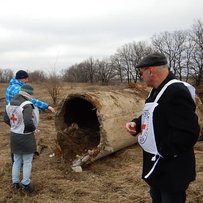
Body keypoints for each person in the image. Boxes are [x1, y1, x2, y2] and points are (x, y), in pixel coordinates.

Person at [126, 53, 200, 203]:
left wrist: (163, 151)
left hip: (172, 169)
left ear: (151, 71)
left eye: (141, 72)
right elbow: (152, 115)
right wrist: (136, 124)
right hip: (158, 167)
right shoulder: (156, 90)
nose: (141, 76)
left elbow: (189, 133)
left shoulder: (176, 92)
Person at [6, 70, 55, 163]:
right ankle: (22, 159)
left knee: (16, 136)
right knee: (24, 135)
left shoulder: (11, 86)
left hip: (12, 116)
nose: (27, 80)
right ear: (22, 78)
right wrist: (46, 106)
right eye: (26, 78)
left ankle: (17, 159)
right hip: (19, 116)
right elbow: (32, 101)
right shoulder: (17, 89)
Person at [4, 84, 39, 193]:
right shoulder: (27, 105)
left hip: (14, 135)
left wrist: (15, 127)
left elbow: (5, 118)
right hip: (26, 136)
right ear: (28, 94)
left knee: (16, 160)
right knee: (27, 161)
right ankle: (26, 184)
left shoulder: (10, 103)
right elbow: (28, 122)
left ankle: (15, 183)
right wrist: (33, 129)